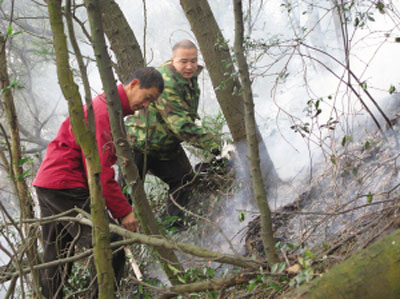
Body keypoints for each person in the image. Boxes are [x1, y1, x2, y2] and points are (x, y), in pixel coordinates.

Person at [33, 67, 164, 298]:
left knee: (57, 255)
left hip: (49, 182)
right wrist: (124, 212)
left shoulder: (109, 108)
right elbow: (100, 172)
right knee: (109, 242)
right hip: (65, 184)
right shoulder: (104, 113)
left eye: (151, 102)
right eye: (147, 98)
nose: (146, 105)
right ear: (133, 84)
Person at [125, 40, 220, 225]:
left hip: (166, 146)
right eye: (184, 61)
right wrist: (217, 146)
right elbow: (180, 125)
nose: (190, 66)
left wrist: (196, 121)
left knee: (183, 180)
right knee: (127, 194)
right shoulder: (165, 81)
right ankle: (119, 243)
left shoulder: (189, 78)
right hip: (140, 144)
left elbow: (187, 112)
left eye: (193, 60)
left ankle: (173, 229)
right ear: (173, 60)